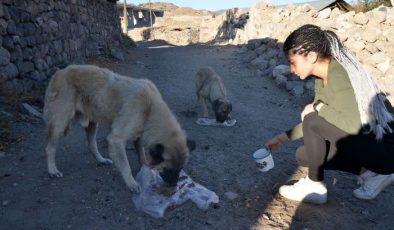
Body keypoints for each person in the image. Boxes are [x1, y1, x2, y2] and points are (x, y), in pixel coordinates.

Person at [265, 24, 394, 204]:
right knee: (305, 155)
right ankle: (371, 173)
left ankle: (314, 186)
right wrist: (281, 138)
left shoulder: (341, 75)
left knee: (312, 118)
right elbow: (322, 121)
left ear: (311, 56)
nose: (291, 69)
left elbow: (352, 124)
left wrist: (319, 109)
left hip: (386, 150)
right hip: (370, 145)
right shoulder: (322, 78)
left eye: (292, 62)